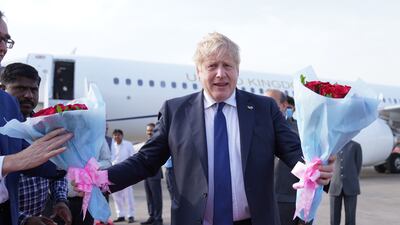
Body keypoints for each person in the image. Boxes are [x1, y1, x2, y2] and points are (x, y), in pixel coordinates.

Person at [86, 32, 334, 225]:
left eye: (227, 65)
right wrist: (98, 180)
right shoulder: (176, 112)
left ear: (237, 69)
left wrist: (316, 167)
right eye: (212, 66)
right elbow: (145, 161)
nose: (220, 74)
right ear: (198, 71)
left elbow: (293, 152)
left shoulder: (264, 109)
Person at [0, 10, 73, 225]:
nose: (3, 47)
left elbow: (30, 157)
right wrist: (8, 163)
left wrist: (75, 161)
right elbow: (18, 159)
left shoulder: (7, 103)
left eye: (6, 39)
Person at [265, 90, 312, 225]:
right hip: (261, 203)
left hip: (290, 203)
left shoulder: (301, 131)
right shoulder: (255, 128)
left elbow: (310, 172)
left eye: (271, 103)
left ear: (285, 105)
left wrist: (305, 212)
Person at [329, 140, 362, 225]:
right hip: (335, 186)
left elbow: (358, 166)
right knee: (334, 217)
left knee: (350, 218)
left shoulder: (355, 146)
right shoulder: (333, 146)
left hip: (351, 186)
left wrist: (351, 177)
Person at [137, 123, 163, 225]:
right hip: (146, 174)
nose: (149, 132)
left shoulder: (158, 142)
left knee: (156, 197)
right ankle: (152, 216)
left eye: (151, 130)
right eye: (148, 130)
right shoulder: (147, 142)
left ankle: (158, 219)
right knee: (149, 197)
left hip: (155, 173)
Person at [111, 129, 136, 224]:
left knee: (128, 195)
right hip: (114, 172)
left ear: (122, 135)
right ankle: (120, 215)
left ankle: (131, 215)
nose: (117, 137)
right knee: (116, 195)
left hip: (126, 172)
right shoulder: (111, 145)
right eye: (115, 135)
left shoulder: (128, 144)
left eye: (118, 135)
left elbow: (133, 157)